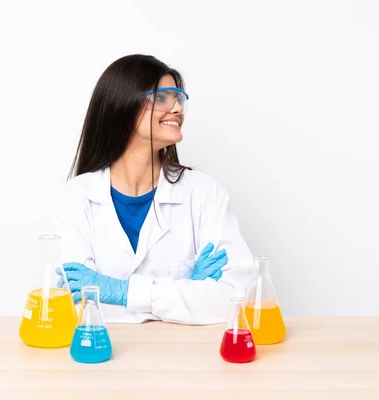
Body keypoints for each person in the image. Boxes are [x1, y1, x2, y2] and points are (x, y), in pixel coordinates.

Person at [54, 54, 254, 324]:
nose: (177, 109)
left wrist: (120, 292)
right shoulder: (77, 197)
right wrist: (187, 291)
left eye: (178, 99)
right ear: (122, 105)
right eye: (161, 98)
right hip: (100, 359)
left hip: (183, 358)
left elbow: (235, 298)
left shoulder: (204, 192)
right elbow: (76, 305)